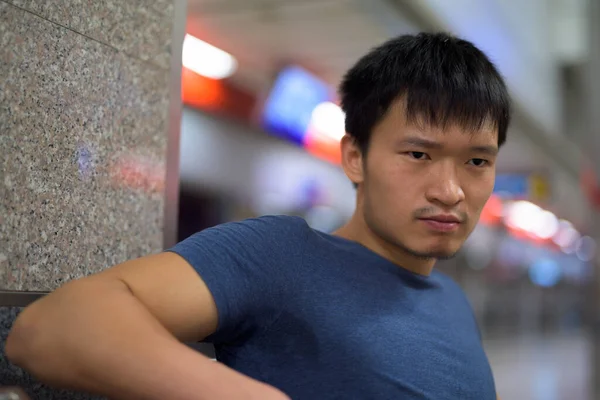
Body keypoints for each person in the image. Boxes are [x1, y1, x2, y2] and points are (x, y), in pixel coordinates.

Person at [7, 32, 510, 399]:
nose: (450, 191)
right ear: (355, 156)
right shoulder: (284, 256)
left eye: (477, 162)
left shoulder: (453, 301)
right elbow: (50, 328)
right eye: (418, 155)